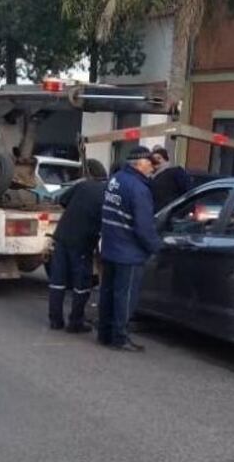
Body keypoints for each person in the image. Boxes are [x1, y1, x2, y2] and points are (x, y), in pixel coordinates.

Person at [97, 146, 162, 352]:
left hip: (110, 247)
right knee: (125, 297)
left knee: (108, 292)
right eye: (150, 163)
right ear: (139, 164)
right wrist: (156, 247)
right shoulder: (139, 189)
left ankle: (104, 333)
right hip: (129, 252)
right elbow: (144, 226)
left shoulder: (115, 180)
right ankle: (120, 337)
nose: (152, 167)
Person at [47, 160, 109, 333]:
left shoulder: (82, 186)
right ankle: (75, 322)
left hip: (62, 236)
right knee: (81, 283)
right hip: (82, 241)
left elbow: (62, 200)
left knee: (58, 280)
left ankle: (55, 320)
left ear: (89, 173)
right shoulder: (106, 193)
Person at [150, 146, 192, 212]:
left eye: (159, 158)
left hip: (172, 213)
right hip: (157, 214)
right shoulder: (151, 177)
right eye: (154, 159)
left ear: (166, 159)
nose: (156, 161)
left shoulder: (175, 172)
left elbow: (187, 191)